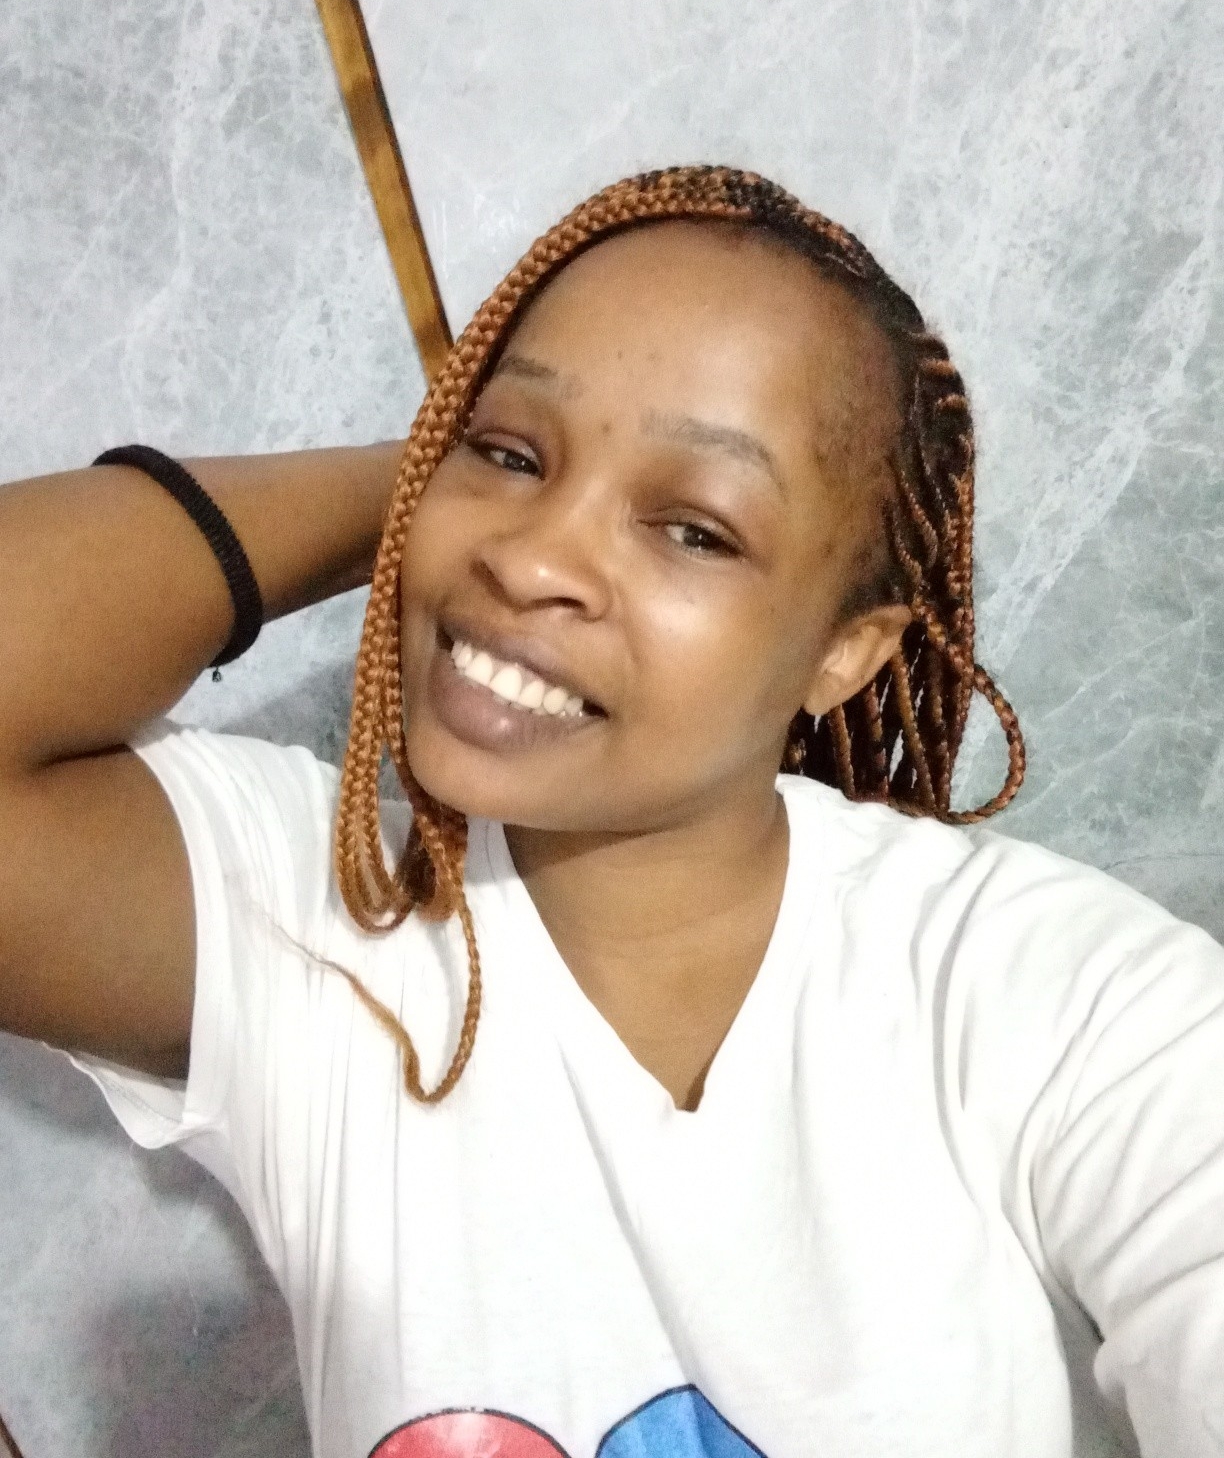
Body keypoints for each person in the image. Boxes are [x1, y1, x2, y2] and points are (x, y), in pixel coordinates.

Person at [0, 165, 1220, 1458]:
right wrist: (424, 486)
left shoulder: (1068, 1005)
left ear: (844, 651)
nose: (530, 558)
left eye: (694, 530)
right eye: (507, 453)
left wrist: (527, 457)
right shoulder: (330, 920)